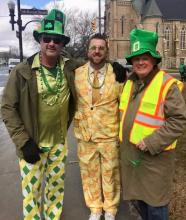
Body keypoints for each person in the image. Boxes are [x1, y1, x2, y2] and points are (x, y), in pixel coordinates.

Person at [1, 9, 82, 220]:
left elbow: (95, 62)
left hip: (58, 144)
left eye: (57, 39)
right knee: (31, 194)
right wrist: (22, 141)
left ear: (62, 43)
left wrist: (115, 66)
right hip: (32, 144)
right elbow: (7, 108)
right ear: (40, 41)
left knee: (55, 191)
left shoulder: (70, 67)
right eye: (47, 38)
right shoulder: (22, 71)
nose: (52, 43)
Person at [119, 28, 186, 220]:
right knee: (139, 206)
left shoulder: (167, 84)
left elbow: (179, 120)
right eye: (136, 58)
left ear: (154, 60)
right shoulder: (131, 83)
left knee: (155, 208)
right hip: (133, 160)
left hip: (155, 162)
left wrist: (151, 142)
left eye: (145, 57)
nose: (140, 62)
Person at [73, 33, 124, 220]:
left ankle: (110, 208)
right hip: (85, 135)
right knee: (89, 174)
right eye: (93, 48)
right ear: (88, 50)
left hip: (109, 134)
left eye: (101, 48)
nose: (97, 51)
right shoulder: (76, 74)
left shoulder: (117, 74)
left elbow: (123, 104)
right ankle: (95, 208)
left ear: (106, 51)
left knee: (111, 174)